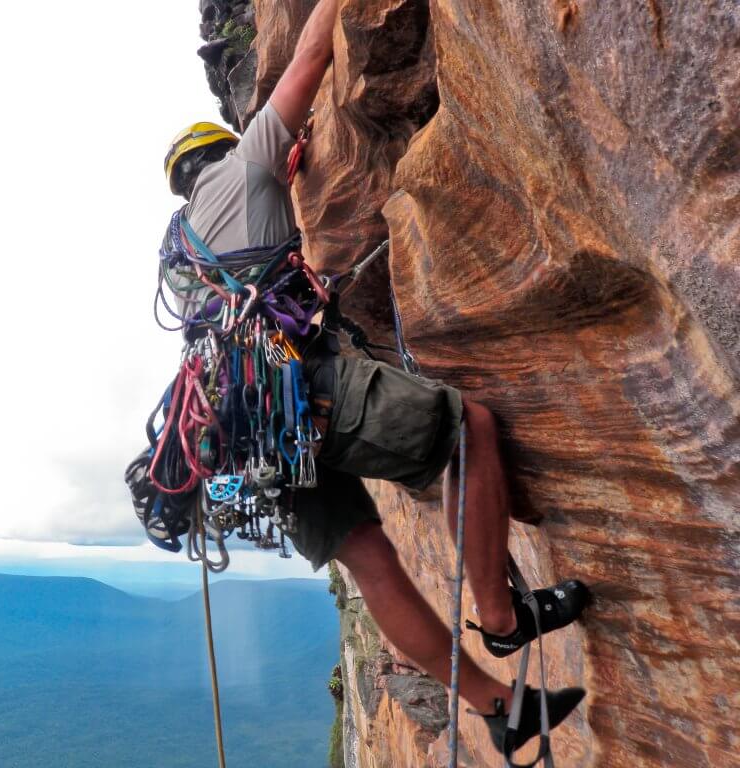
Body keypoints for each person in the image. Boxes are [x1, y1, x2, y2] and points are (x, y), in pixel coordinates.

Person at [158, 0, 590, 754]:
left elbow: (242, 302)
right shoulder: (246, 164)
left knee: (370, 561)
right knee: (468, 427)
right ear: (223, 150)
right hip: (297, 396)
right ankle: (503, 617)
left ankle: (500, 709)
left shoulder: (179, 252)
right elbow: (306, 64)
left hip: (245, 438)